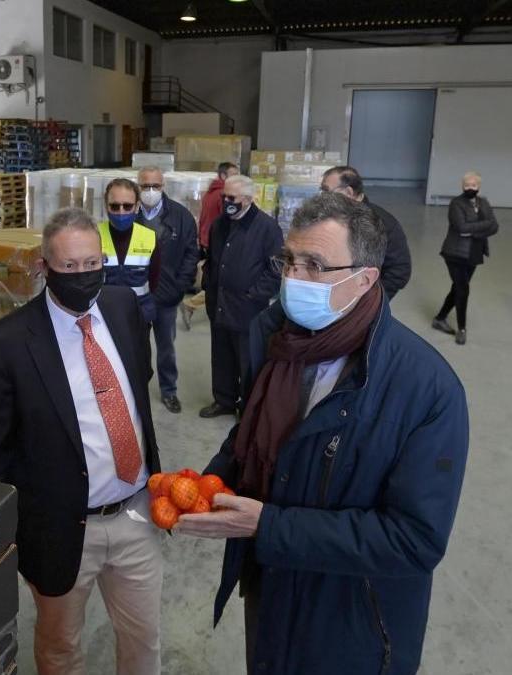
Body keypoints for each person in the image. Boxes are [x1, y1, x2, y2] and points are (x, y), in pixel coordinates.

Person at [176, 193, 469, 675]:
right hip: (270, 590)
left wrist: (267, 526)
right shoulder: (276, 342)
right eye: (289, 260)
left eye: (314, 265)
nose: (293, 278)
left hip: (351, 621)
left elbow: (414, 540)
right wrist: (207, 487)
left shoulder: (426, 389)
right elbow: (250, 435)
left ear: (365, 278)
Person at [0, 207, 164, 675]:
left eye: (92, 264)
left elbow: (139, 383)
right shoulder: (8, 343)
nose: (83, 276)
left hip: (137, 513)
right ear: (44, 268)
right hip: (61, 529)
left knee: (144, 638)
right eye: (70, 267)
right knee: (61, 647)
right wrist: (7, 537)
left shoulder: (121, 307)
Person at [199, 175, 283, 419]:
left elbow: (276, 269)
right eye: (224, 196)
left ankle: (248, 407)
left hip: (248, 309)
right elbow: (211, 260)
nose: (226, 201)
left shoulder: (267, 228)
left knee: (248, 360)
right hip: (219, 304)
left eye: (232, 198)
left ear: (247, 199)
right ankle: (223, 400)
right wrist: (208, 284)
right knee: (221, 356)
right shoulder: (219, 224)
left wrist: (253, 295)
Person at [137, 166, 200, 413]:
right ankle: (136, 388)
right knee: (136, 345)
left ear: (163, 186)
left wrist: (180, 285)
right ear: (137, 185)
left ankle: (169, 390)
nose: (150, 191)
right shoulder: (128, 213)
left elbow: (190, 254)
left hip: (166, 295)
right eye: (145, 186)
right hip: (136, 295)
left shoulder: (180, 216)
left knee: (166, 346)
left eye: (156, 186)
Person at [321, 166, 412, 299]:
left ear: (348, 192)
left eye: (326, 191)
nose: (323, 197)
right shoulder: (332, 215)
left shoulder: (382, 223)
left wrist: (370, 299)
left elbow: (400, 270)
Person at [432, 171, 499, 345]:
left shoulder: (483, 203)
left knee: (458, 288)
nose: (470, 188)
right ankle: (462, 329)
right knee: (463, 289)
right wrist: (483, 226)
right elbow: (461, 227)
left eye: (474, 185)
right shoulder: (456, 203)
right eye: (467, 185)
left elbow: (495, 226)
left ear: (479, 187)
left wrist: (473, 230)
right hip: (455, 253)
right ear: (462, 186)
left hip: (474, 253)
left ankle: (439, 318)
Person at [99, 178, 160, 325]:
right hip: (102, 318)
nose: (121, 212)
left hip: (139, 316)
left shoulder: (149, 237)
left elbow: (155, 282)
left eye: (127, 206)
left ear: (137, 206)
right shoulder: (93, 236)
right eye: (114, 206)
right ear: (106, 206)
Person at [198, 162, 240, 249]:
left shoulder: (209, 192)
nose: (237, 179)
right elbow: (228, 219)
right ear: (223, 176)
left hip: (207, 239)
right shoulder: (223, 194)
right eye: (234, 175)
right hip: (217, 241)